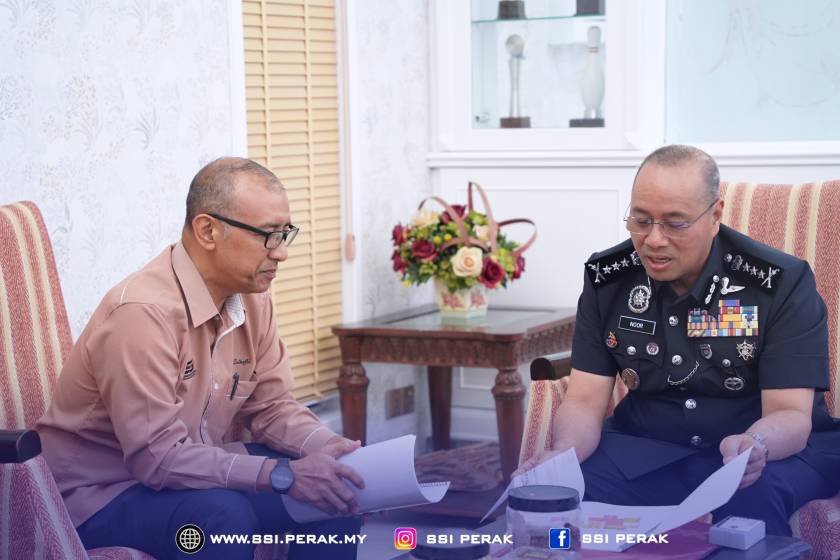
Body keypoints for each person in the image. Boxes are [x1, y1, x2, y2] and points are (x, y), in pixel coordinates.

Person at [37, 157, 364, 559]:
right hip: (100, 495)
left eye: (285, 235)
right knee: (222, 517)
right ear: (208, 230)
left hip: (190, 470)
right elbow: (156, 457)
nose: (281, 253)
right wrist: (279, 474)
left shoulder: (253, 299)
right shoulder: (142, 314)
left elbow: (273, 407)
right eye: (269, 235)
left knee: (336, 492)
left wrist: (332, 448)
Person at [517, 145, 840, 536]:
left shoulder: (777, 283)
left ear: (715, 216)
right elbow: (585, 399)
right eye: (641, 220)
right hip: (646, 447)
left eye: (675, 223)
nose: (654, 239)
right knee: (563, 496)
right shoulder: (609, 279)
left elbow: (789, 413)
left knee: (752, 504)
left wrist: (756, 443)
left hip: (759, 453)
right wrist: (562, 457)